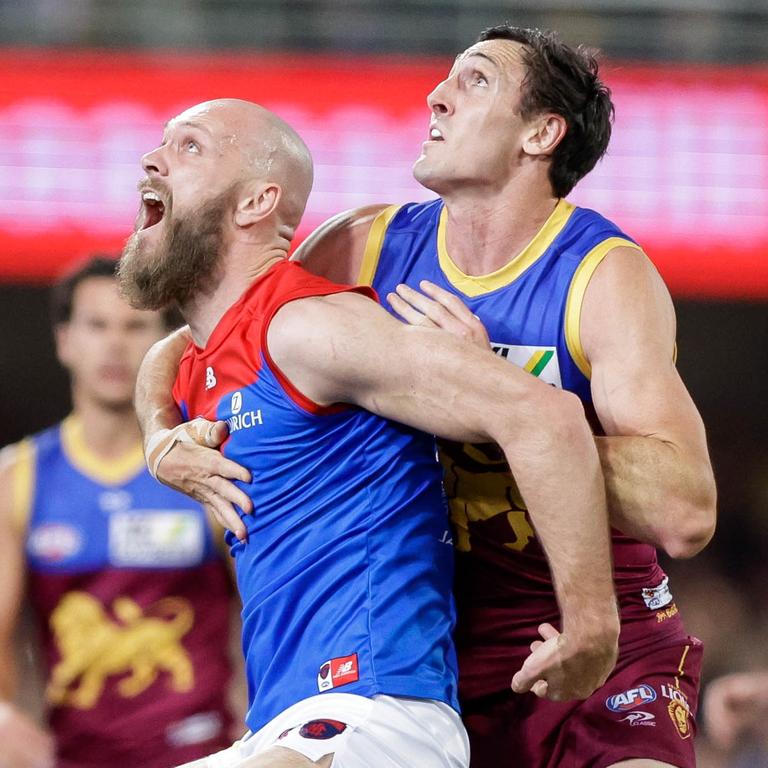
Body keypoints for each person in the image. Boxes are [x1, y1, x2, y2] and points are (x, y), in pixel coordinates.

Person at [139, 26, 718, 768]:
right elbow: (201, 341)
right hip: (441, 653)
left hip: (598, 651)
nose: (435, 96)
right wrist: (160, 437)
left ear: (540, 133)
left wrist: (487, 404)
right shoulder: (367, 244)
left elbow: (685, 509)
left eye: (474, 81)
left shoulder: (599, 276)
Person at [0, 257, 241, 768]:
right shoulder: (15, 480)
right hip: (68, 756)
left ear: (169, 346)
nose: (115, 344)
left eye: (134, 326)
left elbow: (266, 612)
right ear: (65, 340)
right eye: (97, 325)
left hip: (201, 751)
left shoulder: (207, 465)